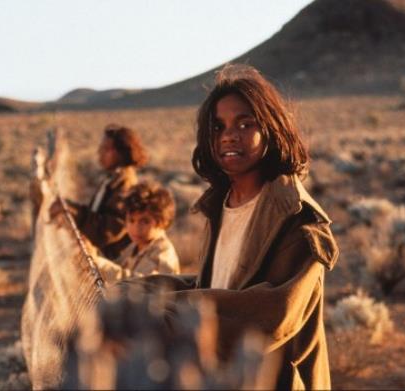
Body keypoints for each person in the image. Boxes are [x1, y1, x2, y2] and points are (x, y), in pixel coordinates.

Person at [130, 64, 339, 389]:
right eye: (218, 126)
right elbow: (218, 286)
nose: (229, 134)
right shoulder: (221, 206)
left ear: (270, 129)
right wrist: (137, 292)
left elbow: (272, 314)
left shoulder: (297, 217)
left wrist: (163, 311)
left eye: (245, 123)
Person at [55, 124, 147, 259]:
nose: (99, 153)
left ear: (119, 152)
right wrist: (68, 207)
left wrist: (75, 214)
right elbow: (96, 214)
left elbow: (108, 230)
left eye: (105, 149)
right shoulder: (114, 178)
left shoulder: (126, 183)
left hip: (113, 263)